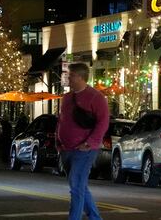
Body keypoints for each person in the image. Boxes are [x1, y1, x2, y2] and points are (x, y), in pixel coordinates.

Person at [57, 62, 109, 220]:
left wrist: (90, 143)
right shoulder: (67, 98)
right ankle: (95, 217)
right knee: (79, 186)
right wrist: (58, 141)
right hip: (66, 149)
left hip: (84, 149)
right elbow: (62, 120)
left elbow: (103, 122)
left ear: (80, 77)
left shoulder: (96, 97)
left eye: (70, 75)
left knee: (76, 186)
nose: (68, 78)